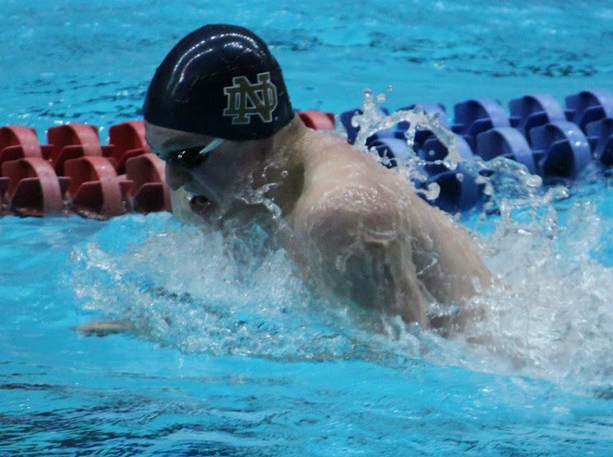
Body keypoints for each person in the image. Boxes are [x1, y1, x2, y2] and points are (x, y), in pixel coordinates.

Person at [140, 24, 492, 332]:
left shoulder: (342, 217)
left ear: (252, 137)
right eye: (162, 156)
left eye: (185, 155)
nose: (173, 179)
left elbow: (405, 368)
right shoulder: (218, 193)